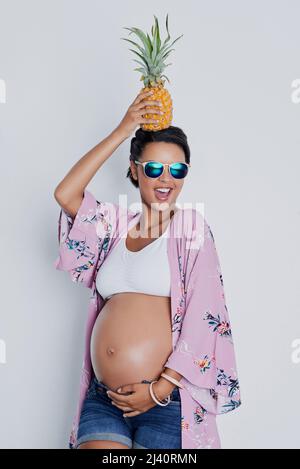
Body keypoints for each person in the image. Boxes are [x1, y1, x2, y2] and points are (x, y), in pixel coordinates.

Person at [54, 90, 241, 450]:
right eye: (154, 167)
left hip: (167, 402)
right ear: (135, 169)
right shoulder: (113, 226)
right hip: (104, 399)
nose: (165, 179)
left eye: (178, 169)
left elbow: (206, 316)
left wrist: (160, 388)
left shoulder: (190, 228)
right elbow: (66, 194)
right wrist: (124, 128)